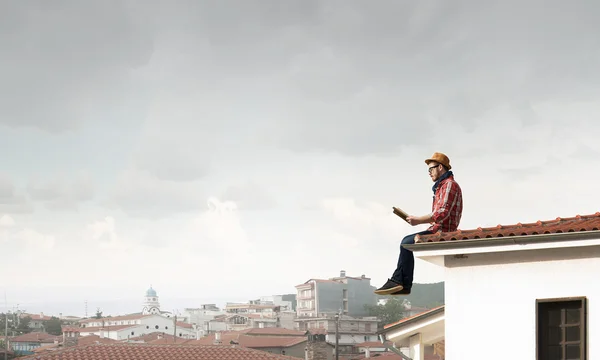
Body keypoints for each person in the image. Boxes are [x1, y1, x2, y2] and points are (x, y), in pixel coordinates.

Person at [375, 152, 463, 296]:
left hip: (443, 231)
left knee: (406, 243)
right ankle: (403, 284)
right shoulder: (441, 187)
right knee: (407, 243)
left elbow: (442, 213)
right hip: (438, 228)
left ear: (440, 167)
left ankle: (401, 283)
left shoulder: (449, 185)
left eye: (431, 169)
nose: (429, 173)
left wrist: (418, 220)